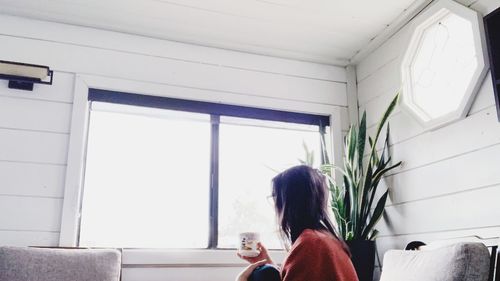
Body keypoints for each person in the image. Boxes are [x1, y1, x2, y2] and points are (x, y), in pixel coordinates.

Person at [236, 165, 359, 281]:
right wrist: (266, 262)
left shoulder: (311, 243)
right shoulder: (326, 239)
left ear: (288, 202)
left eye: (275, 197)